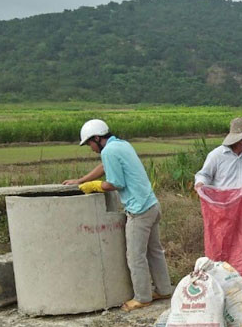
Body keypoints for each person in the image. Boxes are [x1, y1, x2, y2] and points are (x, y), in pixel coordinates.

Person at [63, 119, 173, 312]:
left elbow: (115, 183)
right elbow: (105, 167)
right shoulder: (121, 145)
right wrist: (81, 180)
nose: (90, 147)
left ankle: (142, 297)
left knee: (135, 256)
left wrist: (95, 186)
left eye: (89, 143)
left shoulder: (109, 151)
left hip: (138, 211)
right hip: (152, 205)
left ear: (97, 138)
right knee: (154, 251)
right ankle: (164, 289)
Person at [194, 115, 242, 307]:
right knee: (224, 254)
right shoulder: (217, 156)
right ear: (241, 138)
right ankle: (224, 291)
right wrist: (201, 184)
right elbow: (203, 174)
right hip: (225, 217)